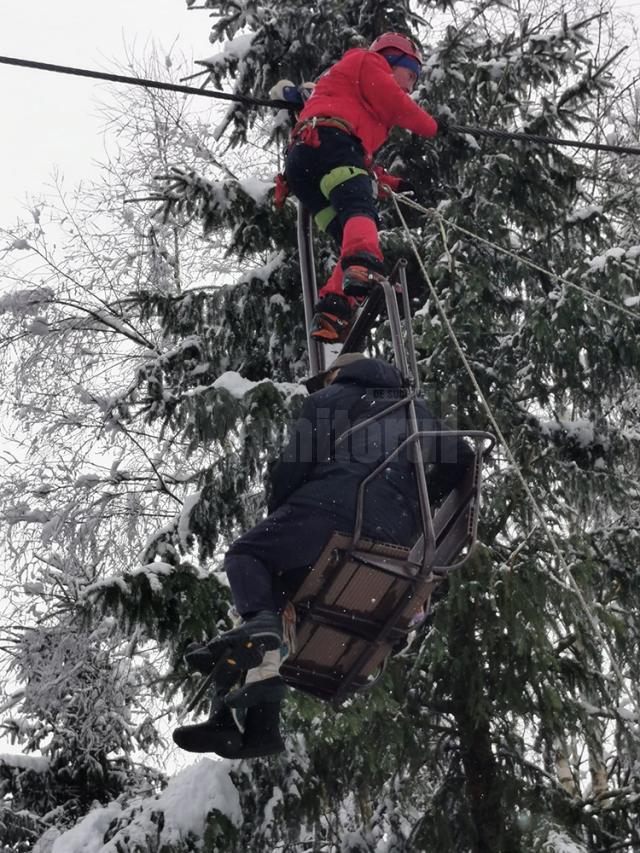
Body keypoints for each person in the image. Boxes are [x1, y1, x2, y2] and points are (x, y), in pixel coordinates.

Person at [173, 353, 474, 758]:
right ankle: (259, 725)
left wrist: (280, 514)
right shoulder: (416, 410)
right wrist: (416, 507)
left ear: (337, 372)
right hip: (396, 535)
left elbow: (292, 469)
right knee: (276, 591)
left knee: (247, 556)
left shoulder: (332, 398)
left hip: (335, 508)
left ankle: (260, 633)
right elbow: (463, 459)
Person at [284, 32, 448, 343]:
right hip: (329, 141)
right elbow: (395, 103)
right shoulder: (366, 61)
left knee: (351, 230)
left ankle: (332, 310)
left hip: (306, 163)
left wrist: (394, 184)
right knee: (361, 210)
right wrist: (433, 126)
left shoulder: (358, 105)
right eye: (410, 73)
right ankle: (362, 268)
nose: (411, 86)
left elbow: (361, 163)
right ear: (390, 59)